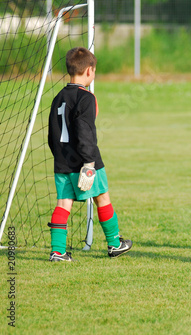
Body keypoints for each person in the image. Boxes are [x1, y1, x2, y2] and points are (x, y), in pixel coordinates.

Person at [47, 47, 132, 262]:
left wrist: (59, 156)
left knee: (63, 203)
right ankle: (114, 244)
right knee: (102, 197)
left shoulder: (58, 97)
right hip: (86, 161)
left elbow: (52, 133)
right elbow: (85, 132)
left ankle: (58, 252)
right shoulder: (86, 98)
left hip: (62, 162)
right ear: (89, 71)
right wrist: (89, 163)